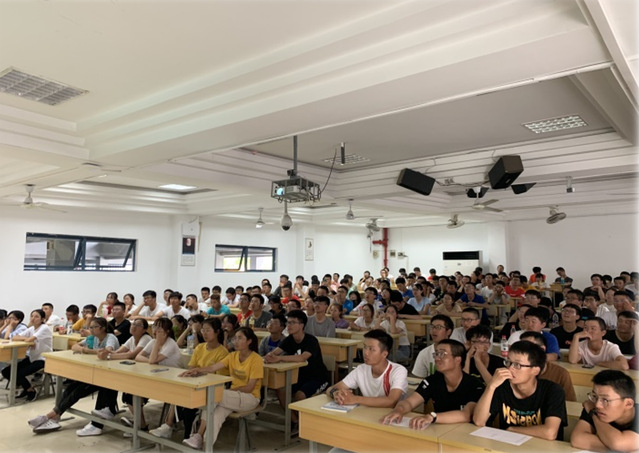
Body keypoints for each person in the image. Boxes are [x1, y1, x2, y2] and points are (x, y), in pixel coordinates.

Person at [28, 317, 120, 436]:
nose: (91, 330)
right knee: (71, 388)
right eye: (90, 327)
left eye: (94, 327)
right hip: (95, 372)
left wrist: (86, 350)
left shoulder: (110, 337)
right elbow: (74, 347)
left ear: (103, 328)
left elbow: (106, 352)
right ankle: (55, 416)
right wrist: (87, 350)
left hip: (108, 376)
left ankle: (50, 416)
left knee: (77, 391)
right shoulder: (93, 338)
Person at [181, 327, 263, 450]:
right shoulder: (232, 356)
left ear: (249, 341)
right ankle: (206, 447)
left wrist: (227, 392)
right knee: (215, 415)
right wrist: (196, 370)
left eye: (240, 338)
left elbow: (249, 388)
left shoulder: (256, 359)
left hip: (250, 398)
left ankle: (198, 435)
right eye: (234, 338)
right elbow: (212, 368)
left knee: (213, 396)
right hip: (231, 398)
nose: (235, 341)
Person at [151, 318, 229, 441]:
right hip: (195, 383)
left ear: (217, 332)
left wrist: (198, 372)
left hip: (210, 387)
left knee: (188, 402)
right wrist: (195, 373)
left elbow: (218, 376)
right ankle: (168, 425)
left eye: (208, 330)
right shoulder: (200, 347)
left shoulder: (223, 352)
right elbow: (192, 367)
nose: (204, 333)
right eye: (202, 330)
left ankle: (186, 432)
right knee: (178, 391)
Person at [473, 340, 567, 440]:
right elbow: (479, 421)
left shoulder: (553, 391)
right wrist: (491, 386)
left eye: (517, 365)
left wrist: (512, 429)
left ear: (535, 370)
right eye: (508, 362)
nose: (510, 369)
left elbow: (550, 433)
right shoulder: (502, 386)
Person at [382, 339, 484, 429]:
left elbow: (466, 415)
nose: (437, 358)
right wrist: (398, 410)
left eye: (442, 354)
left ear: (458, 360)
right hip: (439, 430)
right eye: (436, 354)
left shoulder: (474, 385)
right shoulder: (433, 380)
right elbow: (410, 402)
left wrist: (432, 417)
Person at [265, 310, 329, 422]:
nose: (288, 326)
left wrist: (280, 358)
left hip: (318, 378)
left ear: (301, 325)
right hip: (299, 377)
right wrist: (270, 356)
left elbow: (302, 357)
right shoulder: (289, 339)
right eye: (288, 322)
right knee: (280, 389)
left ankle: (305, 423)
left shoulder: (311, 340)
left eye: (292, 323)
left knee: (300, 395)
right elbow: (275, 352)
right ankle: (295, 421)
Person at [92, 318, 152, 433]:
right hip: (136, 372)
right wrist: (106, 352)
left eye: (138, 325)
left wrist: (109, 356)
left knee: (130, 395)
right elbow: (118, 352)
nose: (133, 326)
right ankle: (138, 423)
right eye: (133, 324)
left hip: (147, 376)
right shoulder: (132, 338)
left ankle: (141, 426)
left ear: (145, 329)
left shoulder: (146, 339)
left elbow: (132, 355)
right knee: (126, 394)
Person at [326, 329, 407, 408]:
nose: (366, 352)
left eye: (372, 349)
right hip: (368, 413)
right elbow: (331, 388)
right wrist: (335, 393)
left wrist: (355, 399)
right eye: (365, 347)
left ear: (384, 354)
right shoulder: (361, 369)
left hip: (391, 414)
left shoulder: (398, 371)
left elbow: (391, 401)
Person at [571, 369, 638, 452]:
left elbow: (617, 443)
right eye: (595, 396)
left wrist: (593, 414)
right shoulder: (593, 404)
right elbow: (577, 439)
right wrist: (621, 449)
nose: (597, 405)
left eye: (605, 400)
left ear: (628, 404)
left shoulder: (591, 409)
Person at [2, 309, 52, 401]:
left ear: (42, 319)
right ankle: (27, 388)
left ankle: (30, 391)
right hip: (32, 358)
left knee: (19, 373)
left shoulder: (44, 328)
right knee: (6, 371)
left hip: (44, 359)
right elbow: (14, 337)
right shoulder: (31, 329)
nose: (33, 318)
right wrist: (26, 339)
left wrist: (28, 340)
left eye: (36, 317)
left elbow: (29, 340)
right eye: (31, 316)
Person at [519, 331, 576, 401]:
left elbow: (570, 401)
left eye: (529, 349)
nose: (524, 353)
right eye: (521, 349)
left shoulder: (560, 373)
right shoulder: (517, 371)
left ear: (542, 349)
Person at [412, 314, 454, 378]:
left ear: (448, 331)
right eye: (432, 327)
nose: (433, 330)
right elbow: (419, 378)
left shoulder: (457, 351)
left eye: (438, 327)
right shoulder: (424, 353)